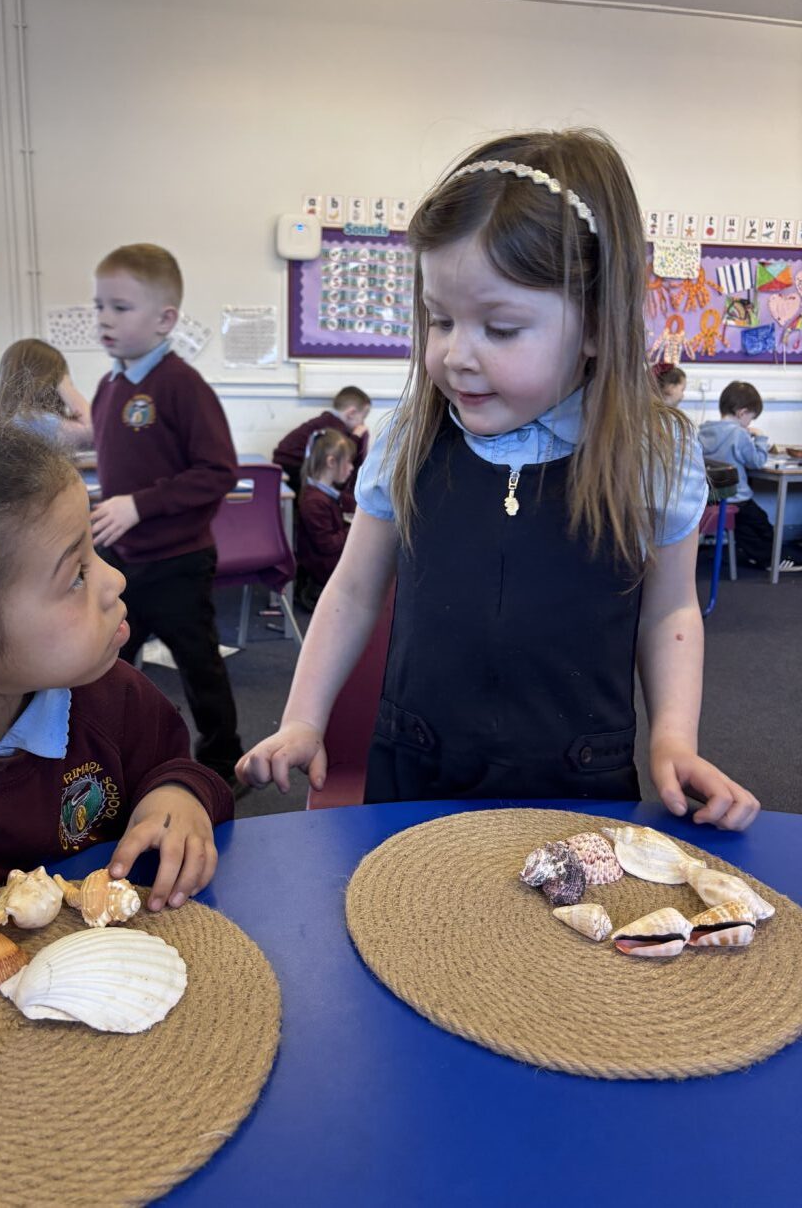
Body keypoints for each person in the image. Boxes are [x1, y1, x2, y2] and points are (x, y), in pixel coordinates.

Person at [237, 128, 759, 832]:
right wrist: (302, 718)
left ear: (596, 325)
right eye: (439, 319)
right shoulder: (407, 438)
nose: (456, 355)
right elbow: (353, 589)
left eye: (502, 328)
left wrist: (673, 738)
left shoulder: (651, 454)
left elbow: (669, 612)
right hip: (414, 772)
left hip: (577, 780)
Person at [0, 406, 233, 1033]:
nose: (115, 580)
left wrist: (178, 793)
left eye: (95, 550)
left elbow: (171, 765)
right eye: (76, 575)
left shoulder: (113, 698)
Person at [90, 243, 243, 786]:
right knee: (107, 666)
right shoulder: (110, 385)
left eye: (120, 307)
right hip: (122, 561)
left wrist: (139, 504)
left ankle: (223, 764)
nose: (104, 319)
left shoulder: (181, 385)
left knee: (199, 666)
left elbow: (218, 471)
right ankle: (113, 763)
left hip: (178, 562)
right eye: (99, 306)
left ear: (165, 319)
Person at [698, 380, 802, 574]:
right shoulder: (739, 434)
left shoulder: (704, 431)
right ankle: (771, 561)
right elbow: (757, 462)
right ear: (742, 413)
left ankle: (756, 555)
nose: (750, 423)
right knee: (762, 526)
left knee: (748, 527)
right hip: (736, 498)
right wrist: (760, 437)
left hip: (711, 497)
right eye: (751, 418)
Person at [0, 337, 94, 449]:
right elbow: (94, 430)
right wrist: (67, 386)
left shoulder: (12, 419)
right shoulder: (32, 420)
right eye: (59, 377)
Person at [272, 385, 371, 509]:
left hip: (285, 467)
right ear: (351, 413)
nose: (362, 423)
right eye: (363, 418)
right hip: (295, 472)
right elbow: (344, 456)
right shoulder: (335, 430)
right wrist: (356, 438)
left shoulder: (326, 420)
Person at [295, 429, 356, 612]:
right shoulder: (314, 501)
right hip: (322, 564)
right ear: (331, 462)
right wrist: (354, 530)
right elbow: (327, 545)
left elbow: (346, 501)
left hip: (326, 559)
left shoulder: (324, 492)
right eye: (348, 462)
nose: (351, 468)